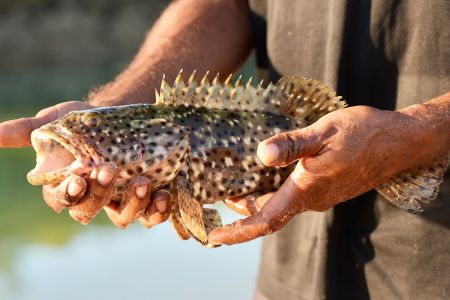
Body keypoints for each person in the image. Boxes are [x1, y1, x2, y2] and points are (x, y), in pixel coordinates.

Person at [1, 0, 449, 299]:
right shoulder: (154, 148)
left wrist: (424, 131)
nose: (91, 134)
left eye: (98, 128)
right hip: (291, 279)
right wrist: (111, 106)